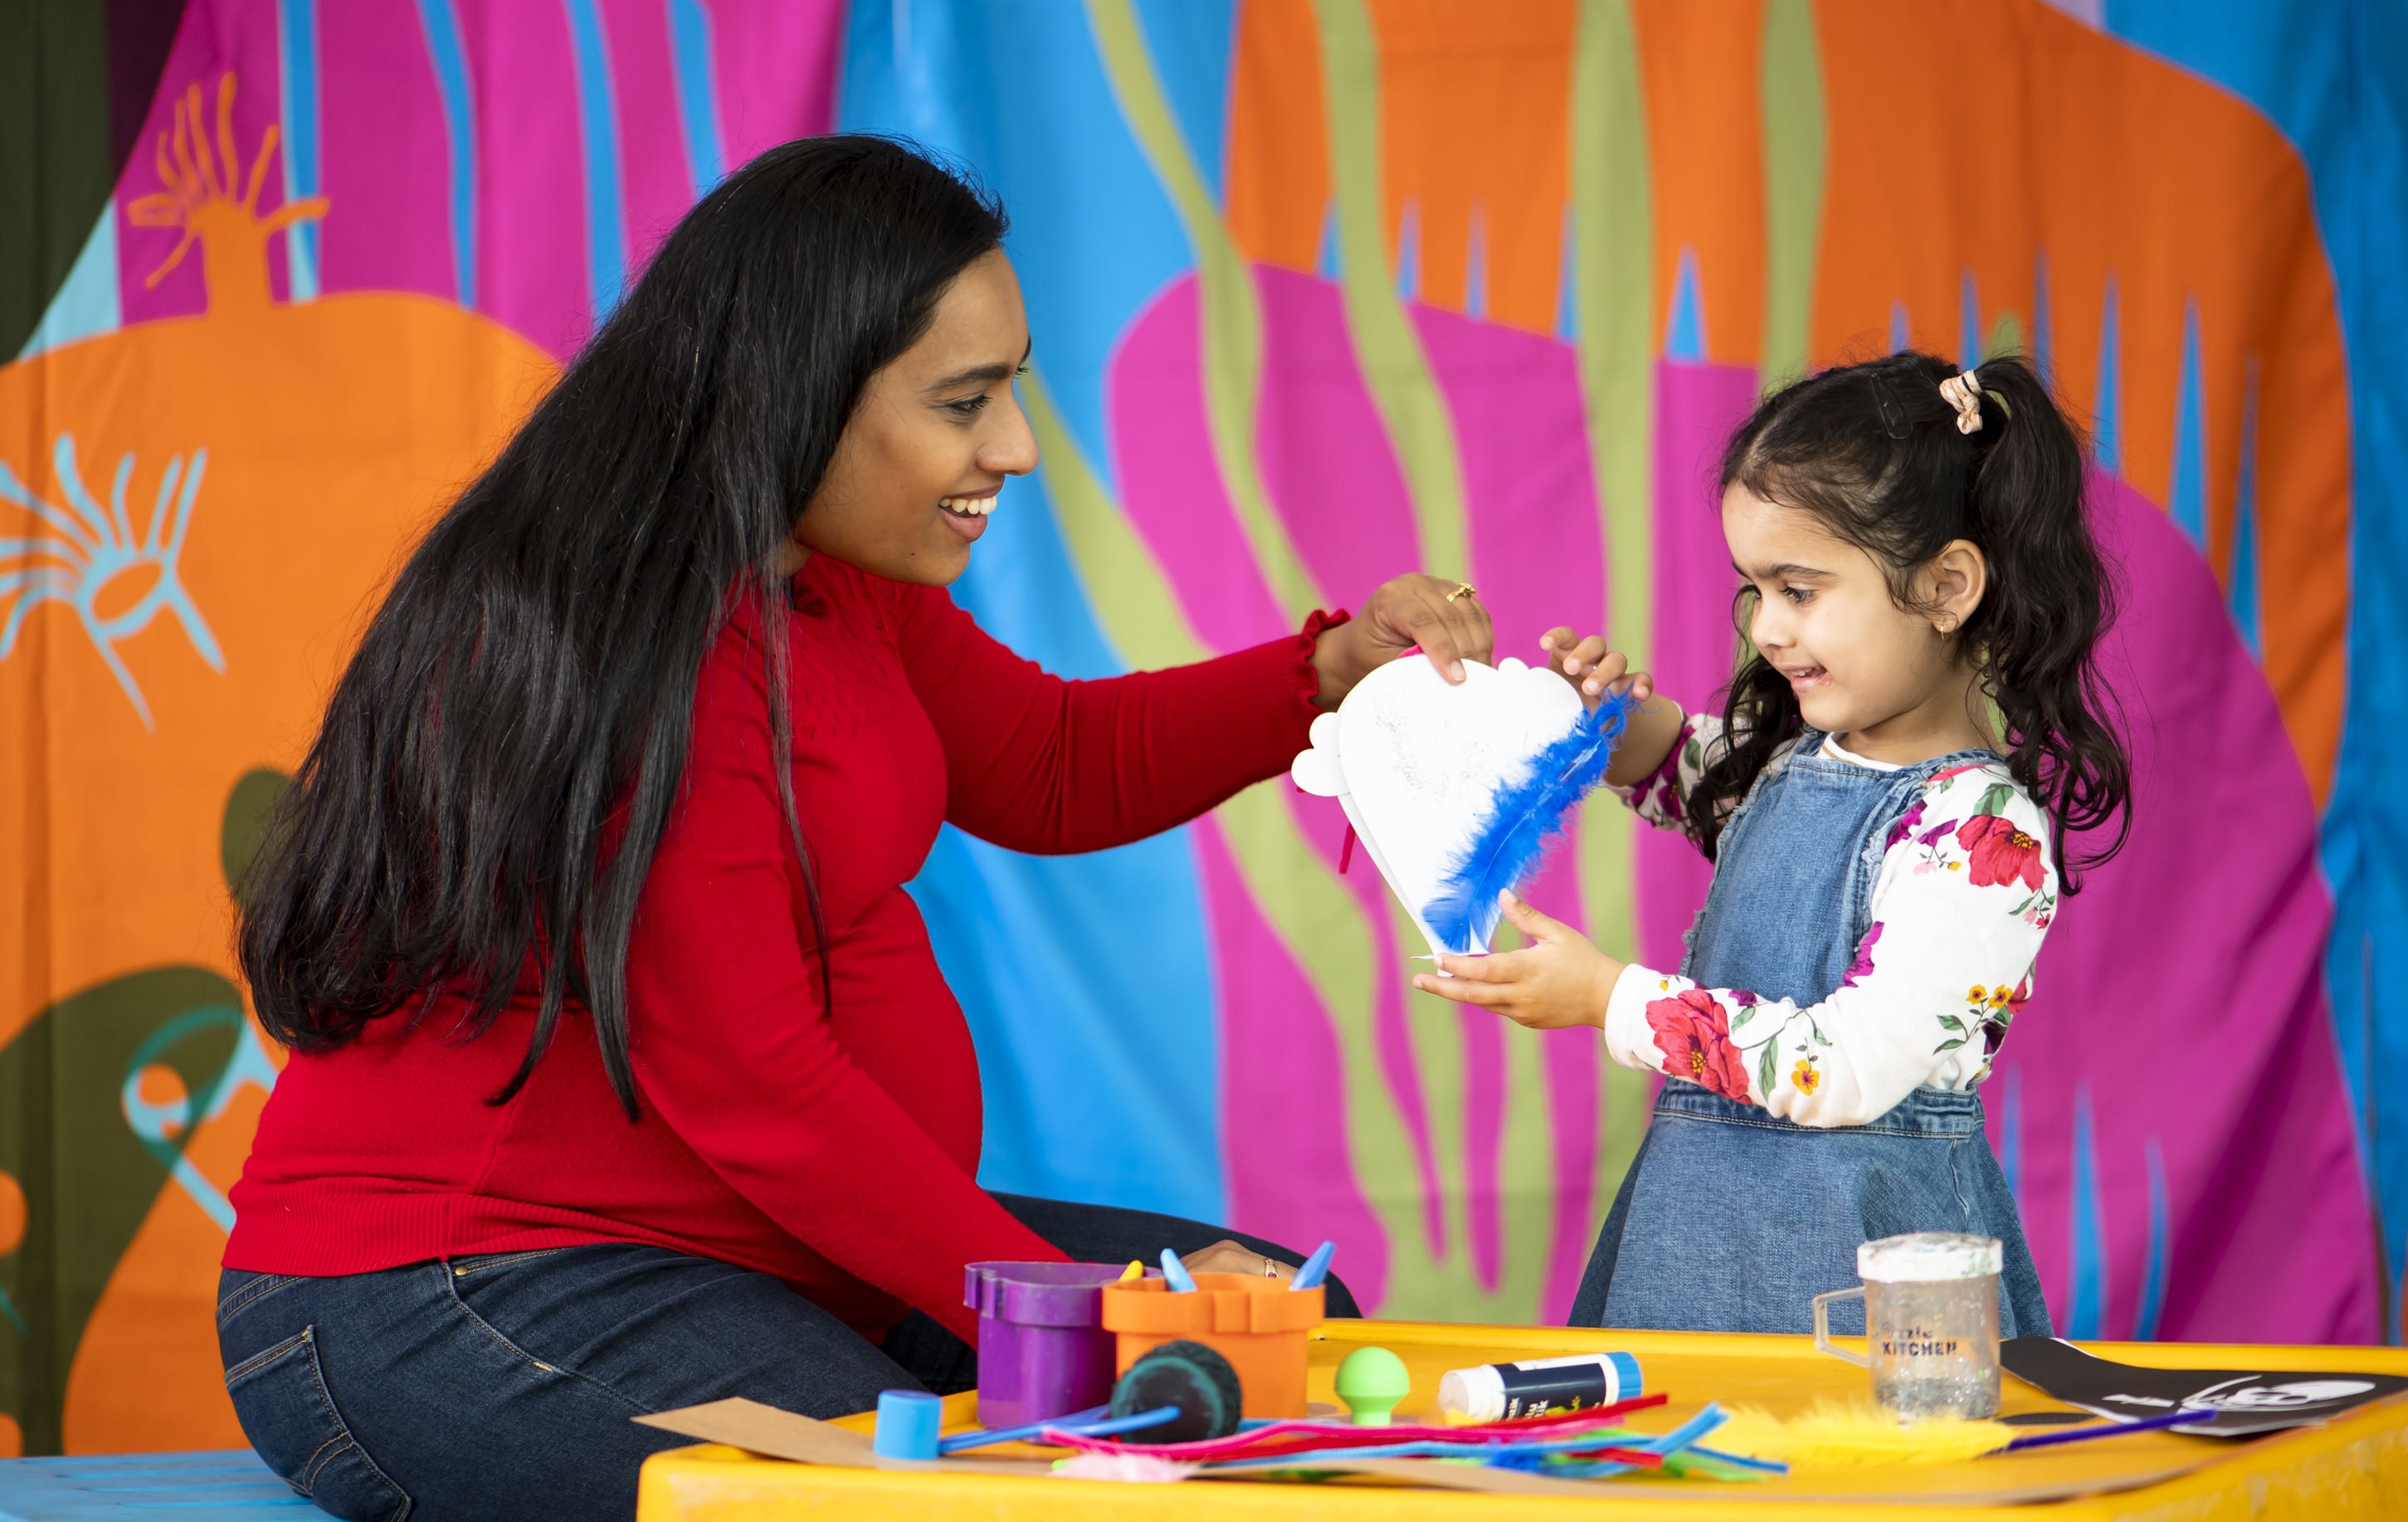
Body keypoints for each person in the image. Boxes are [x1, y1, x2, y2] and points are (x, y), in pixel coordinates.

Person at [215, 134, 1493, 1522]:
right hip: (458, 1292)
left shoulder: (832, 582)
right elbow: (760, 1093)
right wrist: (1091, 1321)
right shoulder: (638, 652)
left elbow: (1054, 765)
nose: (1011, 447)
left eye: (1015, 389)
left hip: (759, 1256)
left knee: (1293, 1338)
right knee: (927, 1496)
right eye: (963, 401)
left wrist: (1322, 673)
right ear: (798, 396)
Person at [1413, 352, 2129, 1337]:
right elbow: (1699, 780)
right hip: (1696, 1249)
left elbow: (1850, 1064)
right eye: (1757, 591)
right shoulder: (1802, 761)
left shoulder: (1980, 833)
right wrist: (1612, 727)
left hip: (1867, 1289)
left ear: (1948, 584)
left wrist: (1613, 998)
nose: (1771, 629)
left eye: (1801, 588)